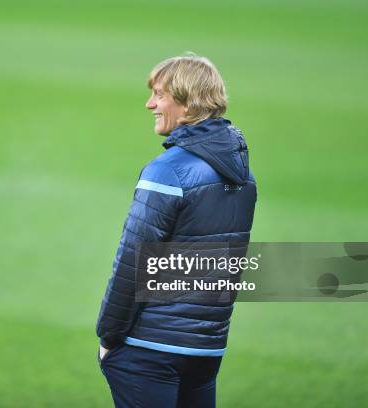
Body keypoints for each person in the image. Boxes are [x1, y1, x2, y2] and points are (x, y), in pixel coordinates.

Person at [95, 54, 257, 408]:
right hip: (206, 351)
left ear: (187, 102)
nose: (149, 103)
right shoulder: (243, 177)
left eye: (160, 95)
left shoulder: (168, 171)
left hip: (148, 350)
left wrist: (108, 337)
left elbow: (133, 262)